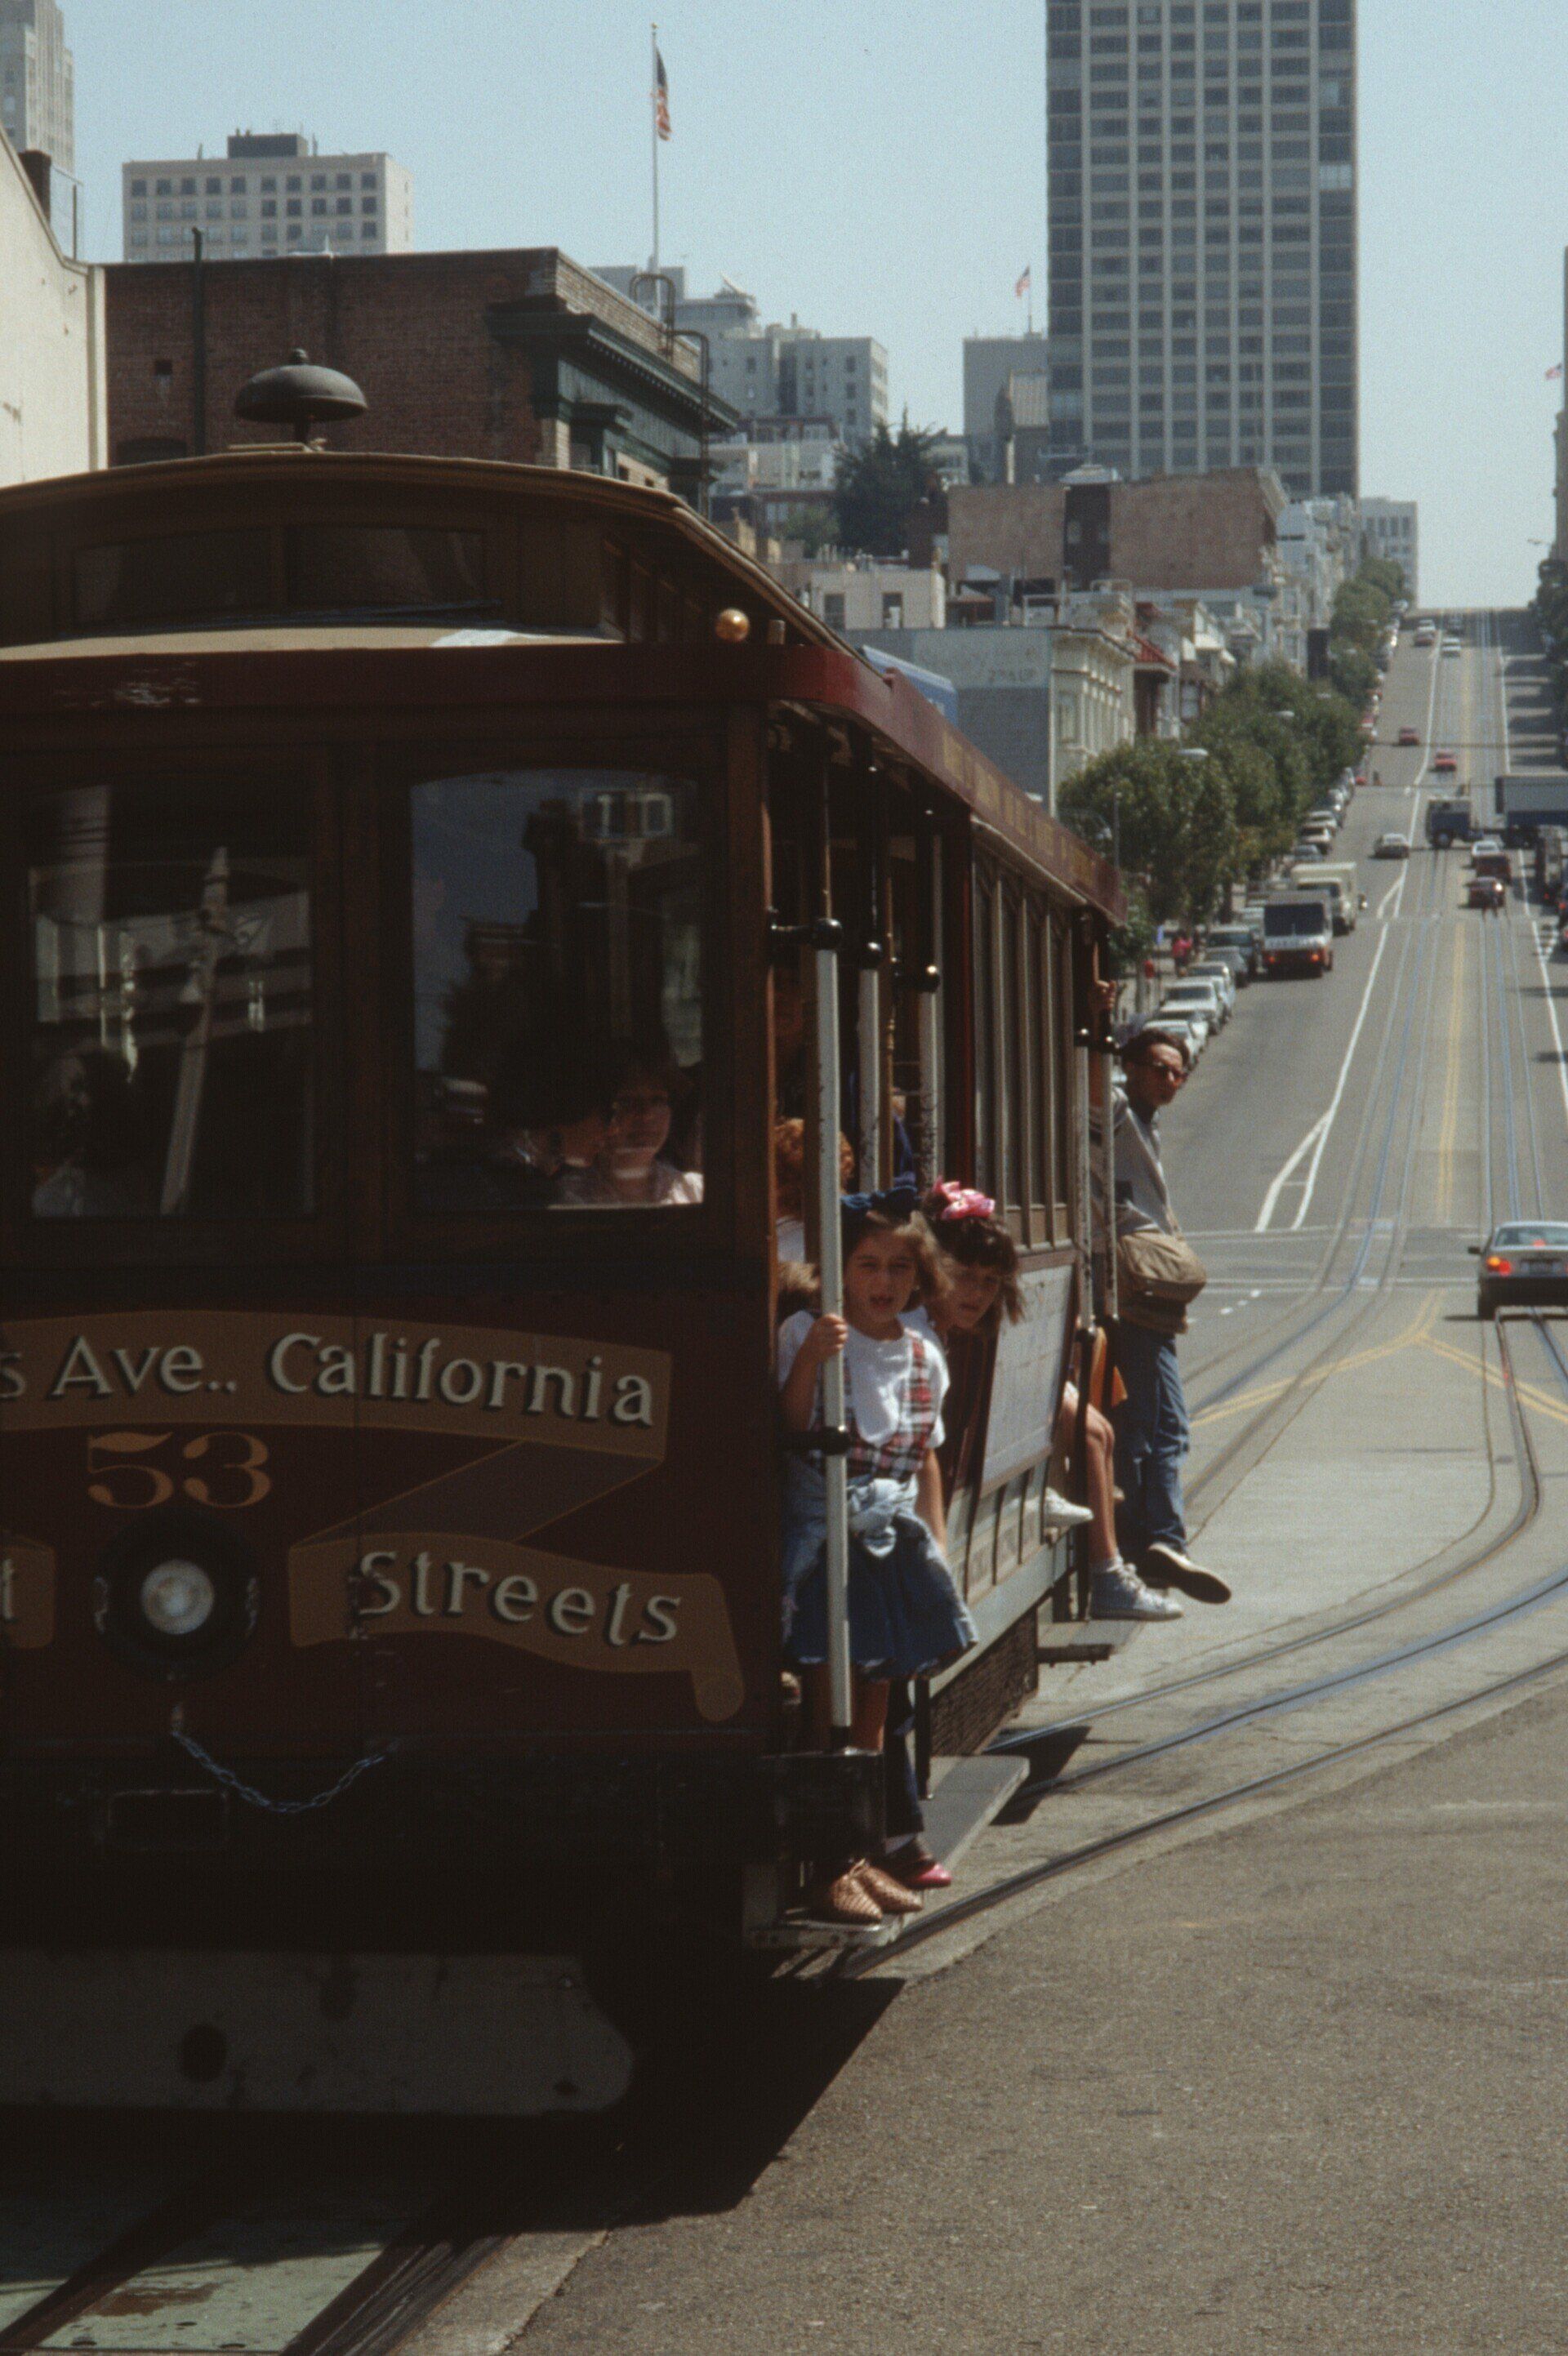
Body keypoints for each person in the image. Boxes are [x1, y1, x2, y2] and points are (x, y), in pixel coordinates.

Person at [777, 1187, 977, 1926]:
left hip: (889, 1545)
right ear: (840, 1270)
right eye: (867, 1264)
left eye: (898, 1267)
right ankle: (823, 1862)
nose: (883, 1281)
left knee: (876, 1703)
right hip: (830, 1541)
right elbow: (790, 1425)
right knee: (826, 1700)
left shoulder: (922, 1351)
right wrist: (810, 1362)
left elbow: (922, 1453)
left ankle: (861, 1854)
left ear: (919, 1277)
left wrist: (937, 1542)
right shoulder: (808, 1332)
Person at [920, 1182, 1176, 1623]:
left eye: (989, 1283)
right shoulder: (920, 1345)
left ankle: (1100, 1558)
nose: (977, 1294)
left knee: (1100, 1431)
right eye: (964, 1276)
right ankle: (1102, 1566)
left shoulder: (941, 1337)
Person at [1089, 1000, 1232, 1609]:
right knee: (1154, 1422)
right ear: (1129, 1066)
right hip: (1128, 1286)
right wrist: (1095, 1013)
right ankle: (1156, 1538)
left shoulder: (1145, 1123)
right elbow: (1090, 1085)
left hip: (1148, 1293)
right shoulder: (1119, 1111)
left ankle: (1159, 1540)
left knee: (1159, 1421)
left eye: (1179, 1071)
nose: (1172, 1079)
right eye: (1160, 1068)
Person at [555, 1044, 702, 1207]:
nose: (646, 1115)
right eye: (627, 1101)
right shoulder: (566, 1198)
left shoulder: (694, 1192)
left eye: (657, 1100)